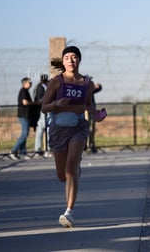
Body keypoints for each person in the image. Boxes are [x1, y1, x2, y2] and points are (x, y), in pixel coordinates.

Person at [41, 46, 106, 228]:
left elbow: (88, 106)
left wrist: (97, 114)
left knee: (70, 170)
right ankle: (74, 169)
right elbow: (43, 107)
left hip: (78, 127)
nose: (71, 60)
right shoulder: (56, 82)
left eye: (74, 57)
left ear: (79, 60)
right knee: (62, 175)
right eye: (67, 57)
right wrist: (56, 103)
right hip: (58, 129)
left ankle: (69, 212)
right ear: (63, 62)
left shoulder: (87, 83)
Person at [9, 77, 34, 160]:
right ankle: (13, 151)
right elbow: (24, 102)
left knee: (25, 134)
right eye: (29, 83)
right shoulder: (23, 90)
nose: (31, 84)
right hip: (23, 115)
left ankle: (23, 152)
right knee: (24, 133)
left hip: (26, 115)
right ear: (24, 83)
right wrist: (34, 103)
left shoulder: (26, 91)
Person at [33, 74, 52, 158]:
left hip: (45, 109)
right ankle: (45, 149)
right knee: (45, 129)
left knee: (43, 129)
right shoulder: (42, 87)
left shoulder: (40, 86)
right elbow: (41, 99)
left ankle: (40, 148)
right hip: (44, 110)